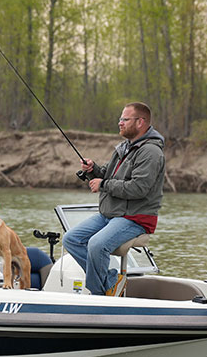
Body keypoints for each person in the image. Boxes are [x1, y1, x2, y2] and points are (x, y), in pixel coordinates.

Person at [63, 102, 165, 296]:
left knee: (96, 244)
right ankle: (110, 282)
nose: (120, 123)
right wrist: (94, 170)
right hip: (111, 213)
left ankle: (99, 294)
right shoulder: (125, 148)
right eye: (120, 119)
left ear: (140, 122)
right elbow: (109, 175)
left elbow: (138, 188)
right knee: (72, 239)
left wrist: (103, 185)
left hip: (135, 217)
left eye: (125, 119)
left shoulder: (151, 152)